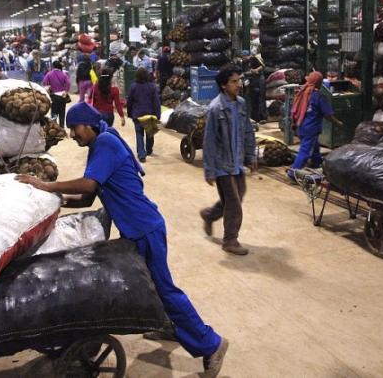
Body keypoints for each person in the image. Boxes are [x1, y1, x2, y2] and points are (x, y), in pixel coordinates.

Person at [14, 103, 229, 377]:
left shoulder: (105, 143)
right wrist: (50, 203)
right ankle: (166, 325)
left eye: (74, 128)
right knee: (148, 283)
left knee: (165, 289)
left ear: (88, 125)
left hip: (144, 227)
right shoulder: (99, 144)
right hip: (137, 227)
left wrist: (46, 185)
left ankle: (212, 344)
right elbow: (89, 197)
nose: (72, 135)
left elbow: (88, 185)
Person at [200, 65, 257, 256]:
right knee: (234, 203)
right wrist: (209, 170)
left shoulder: (241, 104)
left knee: (238, 195)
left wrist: (251, 156)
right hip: (222, 164)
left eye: (239, 80)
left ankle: (209, 215)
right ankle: (230, 240)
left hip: (237, 161)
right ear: (224, 85)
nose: (238, 84)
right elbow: (208, 141)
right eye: (234, 81)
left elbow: (248, 131)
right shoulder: (216, 108)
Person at [287, 71, 343, 174]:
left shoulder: (302, 93)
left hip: (301, 127)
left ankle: (316, 162)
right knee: (305, 151)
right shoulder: (318, 96)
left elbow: (296, 110)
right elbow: (328, 114)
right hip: (311, 129)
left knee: (314, 145)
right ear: (319, 83)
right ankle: (293, 172)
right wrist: (337, 123)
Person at [126, 67, 161, 163]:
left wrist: (130, 113)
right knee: (150, 133)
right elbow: (156, 102)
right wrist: (158, 115)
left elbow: (129, 102)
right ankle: (149, 150)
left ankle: (141, 154)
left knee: (139, 134)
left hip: (137, 115)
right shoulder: (152, 86)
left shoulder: (133, 86)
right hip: (150, 114)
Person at [241, 50, 266, 123]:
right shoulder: (243, 63)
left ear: (248, 56)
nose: (244, 58)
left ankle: (262, 117)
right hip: (251, 81)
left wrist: (255, 70)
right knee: (252, 99)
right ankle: (255, 117)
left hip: (259, 80)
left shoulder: (254, 59)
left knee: (260, 98)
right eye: (242, 56)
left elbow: (262, 66)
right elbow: (244, 72)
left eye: (245, 56)